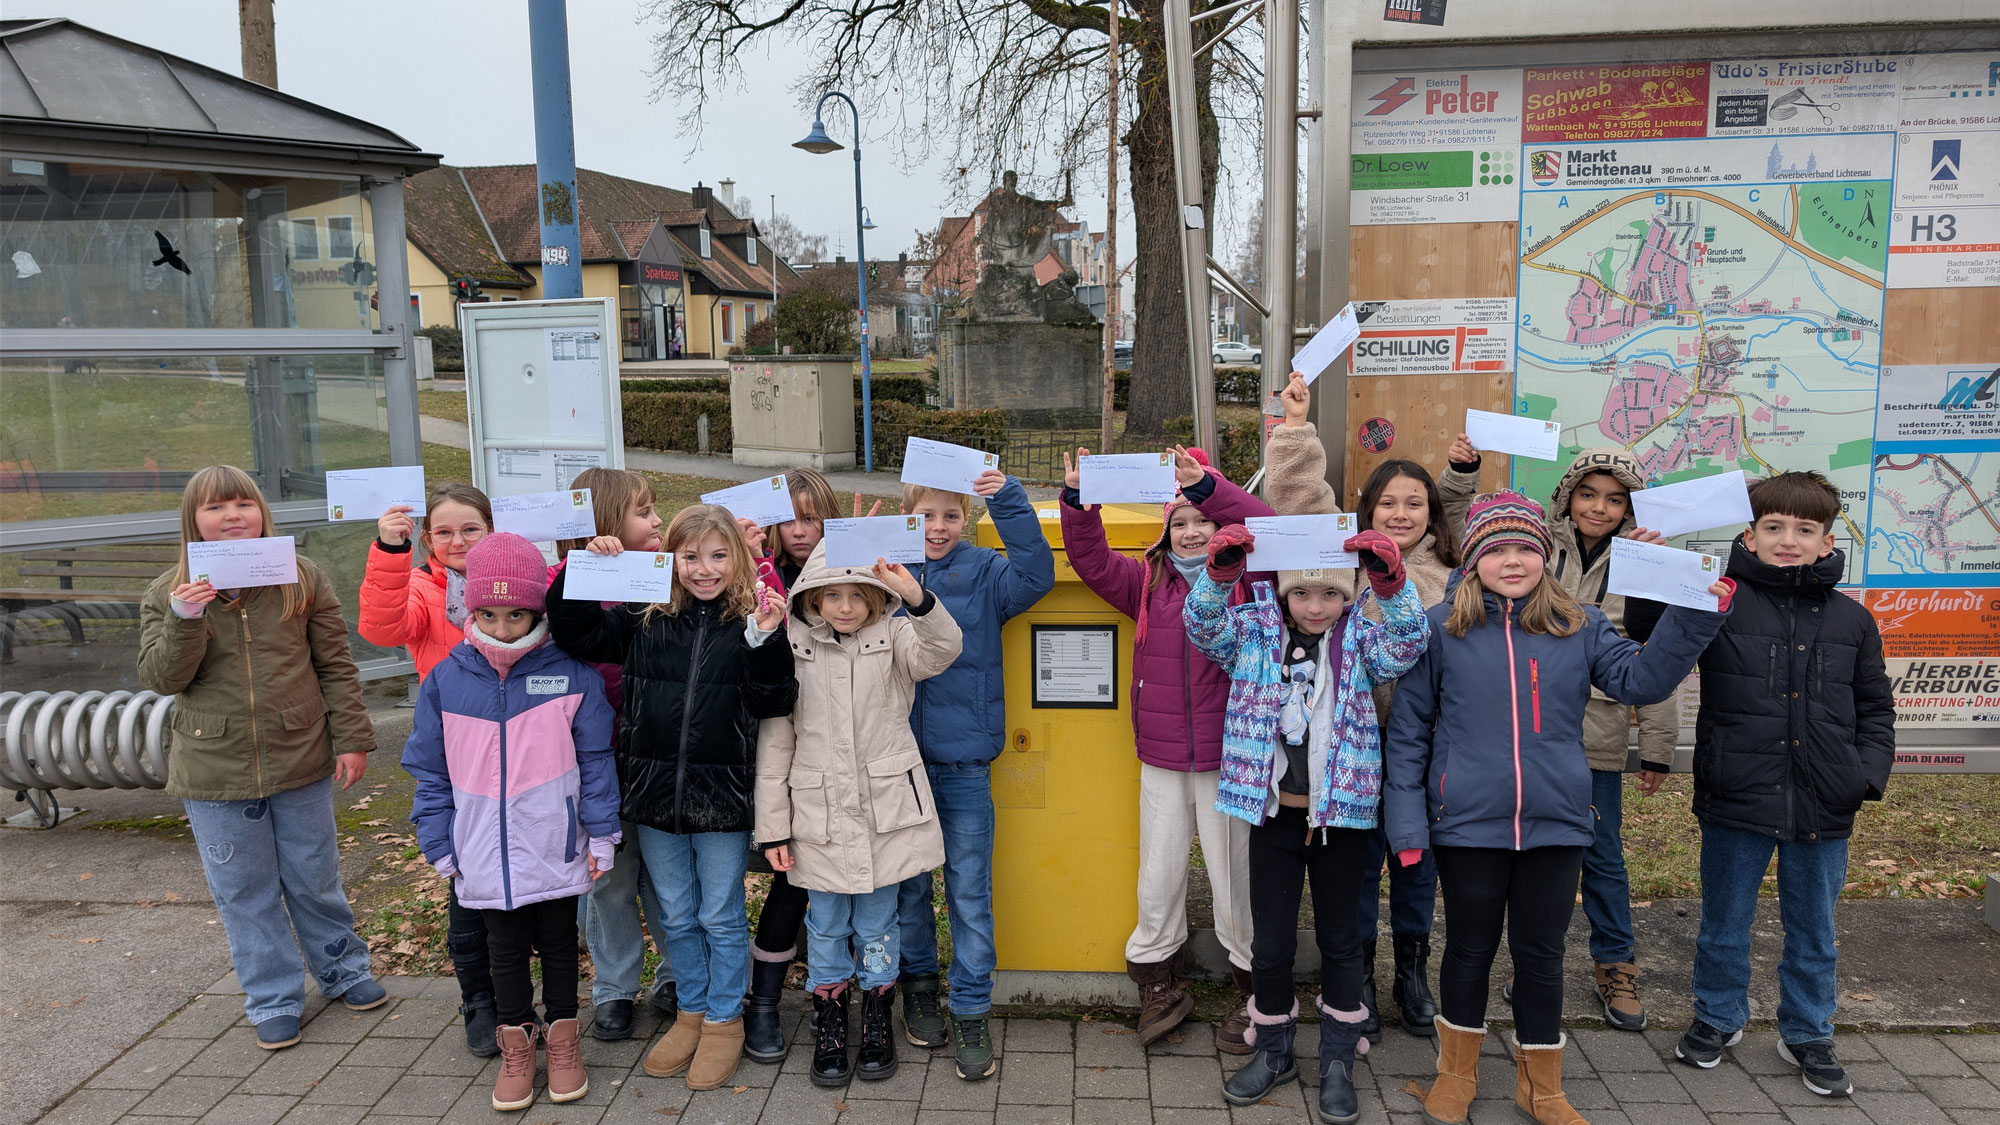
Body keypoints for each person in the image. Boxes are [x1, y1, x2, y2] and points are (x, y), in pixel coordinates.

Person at [1384, 492, 1729, 1125]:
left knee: (1541, 956)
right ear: (1473, 558)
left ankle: (1541, 1085)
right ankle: (1455, 1073)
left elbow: (1642, 680)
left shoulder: (1583, 624)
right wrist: (1408, 825)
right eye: (1497, 549)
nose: (1512, 561)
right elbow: (1408, 736)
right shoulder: (1439, 629)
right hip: (1466, 824)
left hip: (1558, 823)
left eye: (1525, 549)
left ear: (1544, 555)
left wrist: (1693, 606)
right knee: (1467, 951)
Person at [1625, 472, 1895, 1097]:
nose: (1788, 540)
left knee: (1813, 928)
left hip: (1826, 800)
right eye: (1773, 527)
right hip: (1737, 792)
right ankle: (1718, 1017)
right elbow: (1647, 632)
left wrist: (1865, 776)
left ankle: (1807, 1031)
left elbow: (1876, 708)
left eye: (1805, 530)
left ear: (1828, 543)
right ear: (1749, 534)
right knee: (1724, 919)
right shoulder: (1718, 597)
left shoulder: (1853, 621)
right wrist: (1647, 568)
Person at [1184, 518, 1427, 1125]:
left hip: (1342, 822)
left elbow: (1410, 641)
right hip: (1275, 820)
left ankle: (1339, 1059)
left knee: (1342, 942)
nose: (1316, 606)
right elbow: (1200, 625)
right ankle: (1273, 1052)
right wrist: (1220, 576)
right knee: (1271, 944)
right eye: (1302, 593)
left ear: (1347, 597)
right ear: (1284, 593)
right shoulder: (1254, 632)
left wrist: (1392, 584)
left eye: (1330, 594)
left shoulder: (1361, 640)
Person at [548, 504, 795, 1092]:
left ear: (736, 558)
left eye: (717, 556)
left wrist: (764, 638)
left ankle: (724, 1020)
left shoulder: (751, 620)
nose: (704, 569)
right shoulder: (645, 616)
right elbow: (576, 633)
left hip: (722, 798)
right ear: (670, 559)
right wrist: (580, 570)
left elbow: (774, 700)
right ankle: (691, 1009)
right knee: (678, 914)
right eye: (690, 556)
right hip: (655, 795)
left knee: (719, 913)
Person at [138, 465, 384, 1051]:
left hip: (298, 755)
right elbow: (162, 678)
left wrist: (351, 738)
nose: (231, 517)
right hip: (213, 769)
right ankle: (273, 996)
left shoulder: (301, 578)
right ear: (192, 522)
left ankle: (344, 971)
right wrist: (185, 618)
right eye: (215, 508)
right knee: (244, 890)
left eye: (242, 505)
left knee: (314, 878)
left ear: (261, 513)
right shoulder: (168, 592)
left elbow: (335, 665)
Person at [1264, 372, 1476, 1039]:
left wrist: (1461, 478)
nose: (1402, 514)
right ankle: (1351, 975)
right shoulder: (1346, 565)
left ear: (1433, 513)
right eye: (1389, 503)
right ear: (1368, 510)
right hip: (1352, 746)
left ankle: (1410, 969)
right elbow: (1300, 499)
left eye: (1417, 503)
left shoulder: (1453, 570)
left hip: (1425, 748)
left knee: (1417, 862)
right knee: (1355, 866)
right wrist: (1295, 426)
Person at [1454, 441, 1680, 1031]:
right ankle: (1531, 964)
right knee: (1523, 859)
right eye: (1587, 494)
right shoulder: (1532, 546)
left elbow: (1648, 656)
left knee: (1601, 856)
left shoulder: (1644, 557)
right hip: (1521, 731)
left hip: (1597, 732)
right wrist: (1465, 472)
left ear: (1630, 509)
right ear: (1567, 497)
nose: (1599, 508)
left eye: (1614, 500)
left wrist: (1656, 741)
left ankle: (1615, 962)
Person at [1057, 444, 1271, 1050]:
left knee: (1235, 879)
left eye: (1203, 519)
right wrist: (1078, 500)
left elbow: (1261, 519)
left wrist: (1205, 486)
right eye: (1179, 522)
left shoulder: (1251, 577)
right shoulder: (1147, 582)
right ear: (1165, 534)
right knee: (1159, 873)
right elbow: (1093, 561)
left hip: (1230, 758)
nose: (1193, 530)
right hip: (1162, 756)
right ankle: (1158, 981)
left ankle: (1254, 991)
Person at [402, 533, 620, 1111]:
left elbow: (597, 762)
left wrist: (600, 832)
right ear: (471, 609)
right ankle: (516, 1044)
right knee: (502, 953)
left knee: (557, 943)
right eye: (490, 614)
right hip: (480, 851)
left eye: (518, 614)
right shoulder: (446, 681)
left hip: (555, 843)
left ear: (538, 610)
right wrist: (439, 842)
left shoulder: (573, 677)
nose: (503, 627)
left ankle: (564, 1039)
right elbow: (430, 772)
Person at [755, 546, 964, 1086]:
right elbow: (777, 742)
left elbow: (945, 648)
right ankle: (830, 1014)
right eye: (831, 595)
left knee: (878, 921)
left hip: (882, 810)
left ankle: (876, 1011)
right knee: (824, 924)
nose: (844, 607)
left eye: (855, 595)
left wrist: (916, 597)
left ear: (874, 599)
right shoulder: (793, 645)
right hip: (817, 812)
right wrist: (774, 826)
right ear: (812, 599)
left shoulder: (895, 638)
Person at [895, 468, 1055, 1079]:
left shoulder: (987, 572)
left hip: (964, 763)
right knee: (908, 886)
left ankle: (969, 1008)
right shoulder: (887, 571)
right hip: (897, 763)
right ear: (907, 514)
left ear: (969, 520)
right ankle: (917, 990)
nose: (937, 528)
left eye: (951, 516)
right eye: (926, 516)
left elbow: (1037, 573)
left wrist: (1010, 499)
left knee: (967, 890)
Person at [357, 481, 506, 1054]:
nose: (458, 540)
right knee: (465, 879)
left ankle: (524, 994)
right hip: (455, 752)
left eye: (471, 528)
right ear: (427, 538)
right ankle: (479, 998)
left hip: (521, 748)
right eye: (443, 531)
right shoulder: (421, 585)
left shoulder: (521, 579)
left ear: (491, 531)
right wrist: (390, 555)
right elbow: (382, 627)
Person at [552, 468, 676, 1042]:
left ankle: (677, 978)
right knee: (610, 880)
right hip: (596, 760)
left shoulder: (667, 577)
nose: (656, 522)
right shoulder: (571, 582)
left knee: (670, 880)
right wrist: (590, 569)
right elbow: (572, 629)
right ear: (604, 524)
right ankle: (615, 989)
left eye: (654, 511)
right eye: (642, 513)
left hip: (661, 757)